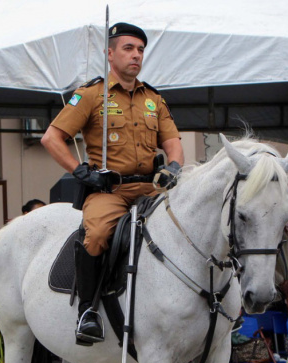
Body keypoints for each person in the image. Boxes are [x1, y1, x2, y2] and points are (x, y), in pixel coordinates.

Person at [41, 22, 183, 344]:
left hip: (151, 189)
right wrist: (80, 171)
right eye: (128, 48)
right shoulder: (91, 95)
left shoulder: (154, 99)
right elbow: (52, 138)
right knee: (98, 235)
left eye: (140, 50)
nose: (136, 55)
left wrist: (174, 166)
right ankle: (87, 312)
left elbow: (172, 142)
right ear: (110, 53)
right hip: (110, 191)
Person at [21, 198, 55, 363]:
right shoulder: (19, 242)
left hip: (43, 306)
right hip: (21, 307)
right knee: (24, 358)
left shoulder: (52, 242)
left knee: (43, 359)